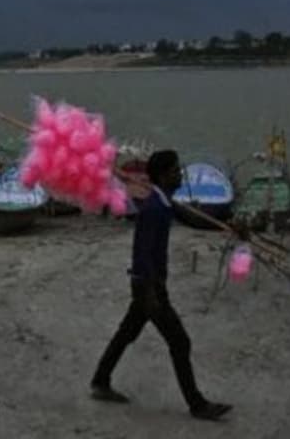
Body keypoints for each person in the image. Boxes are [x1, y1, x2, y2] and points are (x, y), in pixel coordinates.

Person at [89, 149, 232, 421]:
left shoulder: (162, 203)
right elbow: (142, 252)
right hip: (149, 287)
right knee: (180, 341)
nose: (180, 174)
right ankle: (198, 405)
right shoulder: (154, 209)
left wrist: (232, 227)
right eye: (176, 170)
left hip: (149, 285)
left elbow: (182, 214)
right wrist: (149, 292)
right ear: (165, 176)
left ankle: (100, 380)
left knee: (126, 333)